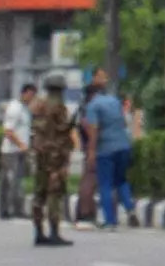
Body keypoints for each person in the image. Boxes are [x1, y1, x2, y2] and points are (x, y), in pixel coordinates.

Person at [17, 77, 76, 249]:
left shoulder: (38, 105)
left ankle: (38, 232)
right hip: (55, 154)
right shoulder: (58, 107)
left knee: (39, 193)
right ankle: (54, 232)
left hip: (40, 153)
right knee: (54, 193)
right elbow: (62, 131)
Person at [84, 74, 135, 229]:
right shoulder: (114, 101)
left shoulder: (93, 106)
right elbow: (124, 122)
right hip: (124, 146)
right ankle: (130, 209)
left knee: (105, 184)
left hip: (105, 149)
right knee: (121, 180)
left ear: (90, 95)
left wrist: (91, 152)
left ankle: (110, 221)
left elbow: (94, 130)